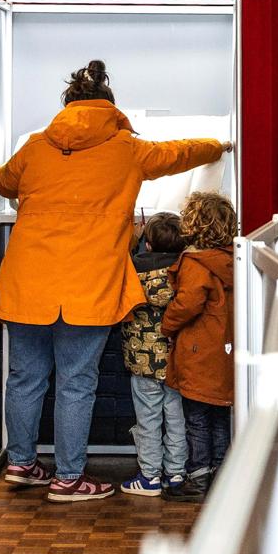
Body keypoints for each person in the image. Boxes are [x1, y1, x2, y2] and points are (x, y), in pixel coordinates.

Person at [0, 60, 229, 502]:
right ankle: (68, 477)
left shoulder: (36, 147)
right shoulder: (127, 148)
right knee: (77, 381)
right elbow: (179, 153)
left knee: (25, 377)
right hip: (89, 284)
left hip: (27, 280)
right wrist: (218, 145)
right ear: (110, 108)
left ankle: (21, 463)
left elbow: (4, 183)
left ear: (66, 107)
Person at [161, 192, 240, 501]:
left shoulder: (196, 263)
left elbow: (187, 303)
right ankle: (222, 476)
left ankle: (198, 478)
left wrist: (167, 324)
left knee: (196, 420)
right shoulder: (235, 258)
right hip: (225, 352)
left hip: (198, 354)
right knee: (220, 417)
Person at [118, 212, 188, 498]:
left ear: (147, 244)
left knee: (148, 419)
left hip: (142, 362)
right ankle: (176, 472)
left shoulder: (132, 271)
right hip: (176, 360)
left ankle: (149, 476)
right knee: (176, 418)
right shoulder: (184, 272)